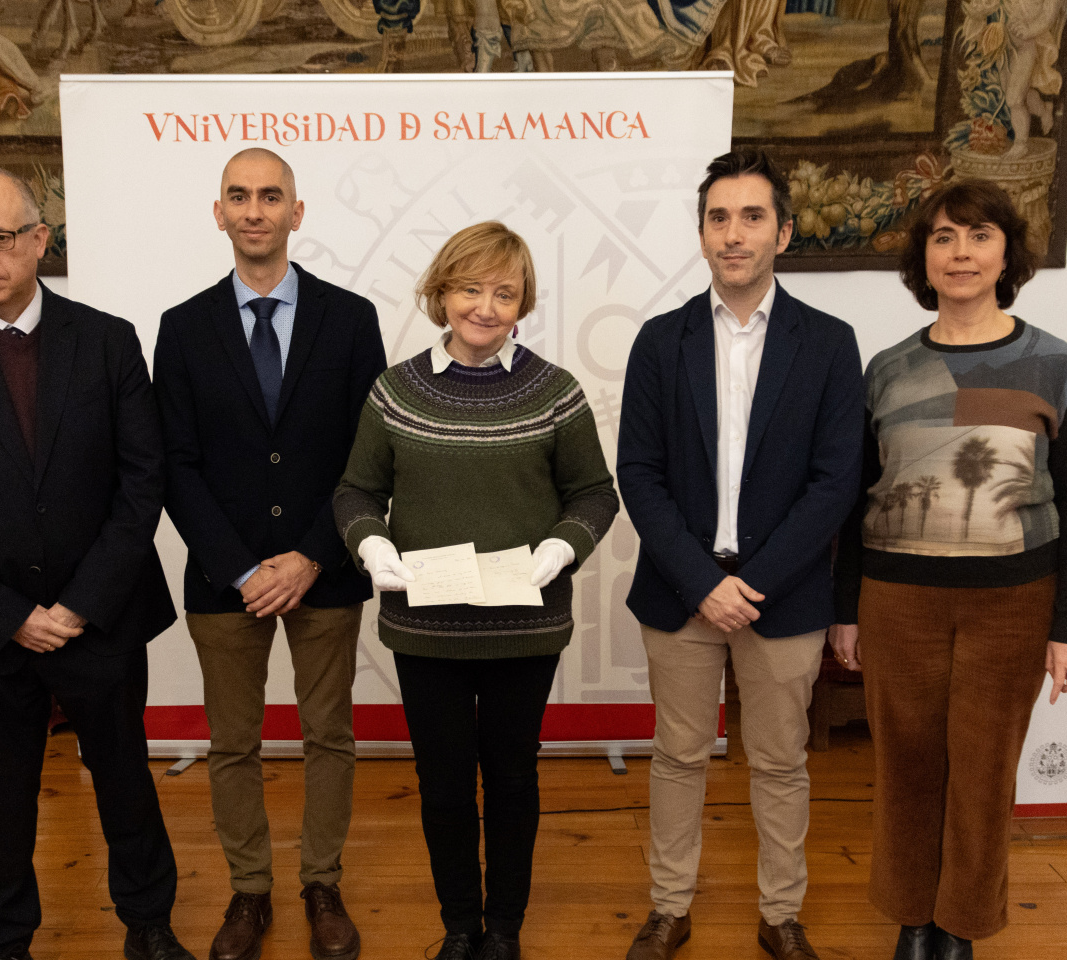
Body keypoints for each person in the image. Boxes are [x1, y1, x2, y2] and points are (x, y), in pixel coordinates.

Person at [0, 168, 193, 960]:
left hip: (100, 616)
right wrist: (10, 615)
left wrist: (79, 605)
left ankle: (149, 927)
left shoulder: (108, 339)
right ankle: (6, 942)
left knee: (125, 782)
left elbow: (141, 480)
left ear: (39, 240)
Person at [334, 221, 620, 960]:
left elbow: (594, 493)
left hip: (524, 624)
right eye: (470, 288)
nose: (486, 307)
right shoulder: (395, 391)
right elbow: (357, 488)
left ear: (523, 300)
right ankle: (459, 924)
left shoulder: (555, 391)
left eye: (504, 292)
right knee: (444, 783)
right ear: (441, 292)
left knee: (513, 778)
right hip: (425, 626)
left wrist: (561, 549)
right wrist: (371, 544)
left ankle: (505, 929)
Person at [830, 178, 1067, 960]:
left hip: (1014, 603)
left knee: (982, 773)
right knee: (907, 767)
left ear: (1006, 251)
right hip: (897, 600)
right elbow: (854, 500)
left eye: (979, 235)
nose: (961, 253)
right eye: (943, 237)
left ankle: (961, 925)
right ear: (924, 258)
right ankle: (913, 916)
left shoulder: (1053, 362)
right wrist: (846, 608)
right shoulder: (886, 369)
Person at [616, 148, 864, 960]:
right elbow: (639, 475)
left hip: (782, 594)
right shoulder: (660, 341)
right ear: (701, 234)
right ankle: (668, 906)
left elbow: (835, 482)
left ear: (783, 233)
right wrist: (702, 582)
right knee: (678, 754)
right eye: (719, 217)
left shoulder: (829, 343)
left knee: (780, 761)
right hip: (681, 591)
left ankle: (780, 913)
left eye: (753, 216)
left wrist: (750, 582)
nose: (735, 233)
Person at [153, 147, 385, 960]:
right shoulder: (181, 329)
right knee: (233, 743)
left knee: (329, 733)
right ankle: (249, 894)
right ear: (218, 213)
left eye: (271, 196)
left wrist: (312, 556)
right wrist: (242, 566)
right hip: (226, 581)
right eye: (238, 196)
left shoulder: (351, 319)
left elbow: (370, 454)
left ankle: (321, 882)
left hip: (327, 570)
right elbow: (173, 462)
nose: (255, 210)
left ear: (297, 212)